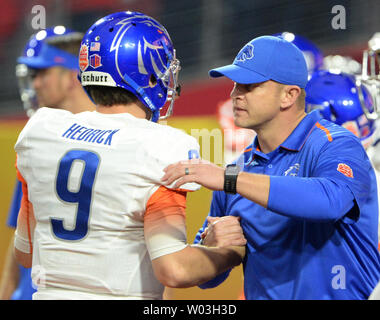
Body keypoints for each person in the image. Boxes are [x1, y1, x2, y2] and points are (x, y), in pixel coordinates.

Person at [12, 11, 246, 300]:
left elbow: (25, 253)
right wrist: (227, 253)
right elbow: (174, 269)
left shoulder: (41, 130)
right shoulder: (161, 145)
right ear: (146, 73)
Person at [161, 35, 380, 299]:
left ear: (289, 95)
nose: (235, 95)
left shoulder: (336, 144)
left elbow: (330, 200)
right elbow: (209, 280)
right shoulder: (237, 169)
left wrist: (229, 179)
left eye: (249, 86)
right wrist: (213, 246)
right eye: (235, 85)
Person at [0, 26, 95, 300]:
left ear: (72, 75)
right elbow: (20, 239)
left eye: (42, 73)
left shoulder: (117, 139)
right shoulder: (37, 138)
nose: (36, 84)